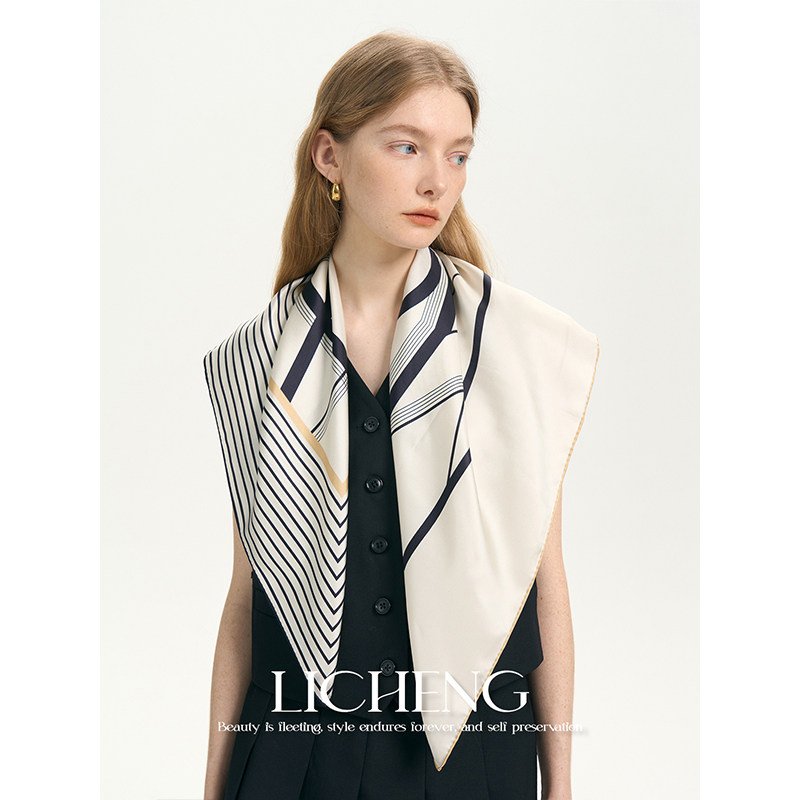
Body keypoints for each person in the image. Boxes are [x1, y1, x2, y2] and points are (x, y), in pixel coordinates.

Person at [202, 30, 599, 800]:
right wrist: (213, 787)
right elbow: (248, 594)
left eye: (458, 155)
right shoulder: (258, 359)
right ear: (330, 157)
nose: (436, 181)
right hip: (294, 756)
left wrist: (562, 783)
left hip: (473, 756)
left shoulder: (514, 348)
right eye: (406, 146)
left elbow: (544, 578)